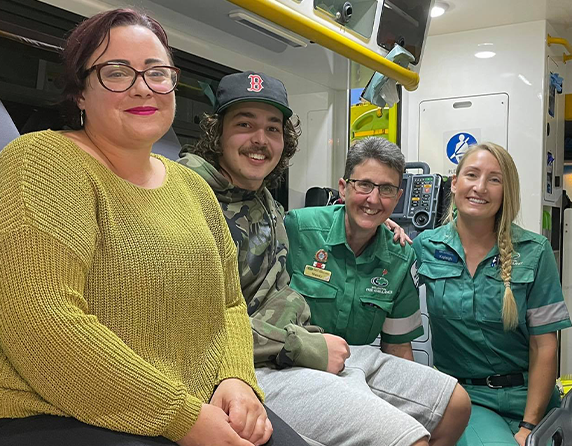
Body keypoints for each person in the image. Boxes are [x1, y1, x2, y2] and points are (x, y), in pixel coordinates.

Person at [0, 9, 307, 446]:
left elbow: (228, 307)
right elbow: (42, 321)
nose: (142, 87)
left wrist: (238, 379)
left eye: (156, 73)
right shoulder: (40, 164)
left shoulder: (192, 188)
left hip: (181, 404)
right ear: (80, 94)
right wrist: (180, 417)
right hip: (25, 409)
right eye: (116, 72)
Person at [179, 72, 471, 446]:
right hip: (270, 361)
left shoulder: (268, 206)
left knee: (456, 404)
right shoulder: (196, 199)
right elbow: (197, 327)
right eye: (244, 124)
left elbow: (397, 345)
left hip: (318, 349)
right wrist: (308, 348)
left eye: (273, 128)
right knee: (407, 439)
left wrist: (391, 234)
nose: (260, 139)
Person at [413, 142, 572, 446]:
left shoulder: (534, 252)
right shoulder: (425, 247)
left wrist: (529, 425)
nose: (480, 187)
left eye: (494, 180)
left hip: (532, 397)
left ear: (506, 191)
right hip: (468, 399)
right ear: (455, 183)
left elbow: (544, 346)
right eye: (472, 175)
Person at [284, 137, 424, 355]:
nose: (374, 199)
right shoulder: (298, 230)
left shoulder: (401, 258)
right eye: (365, 185)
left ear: (397, 198)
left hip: (352, 371)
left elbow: (397, 346)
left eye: (386, 189)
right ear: (343, 188)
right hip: (289, 363)